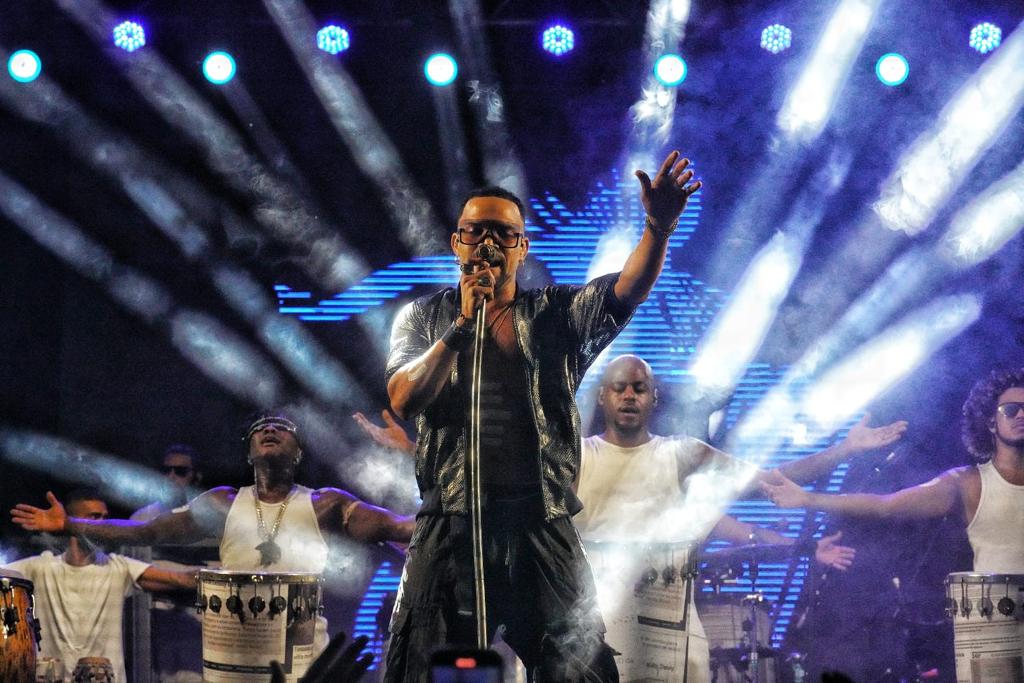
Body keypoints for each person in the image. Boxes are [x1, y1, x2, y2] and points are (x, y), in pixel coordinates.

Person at [382, 151, 701, 682]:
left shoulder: (555, 314)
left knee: (581, 666)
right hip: (450, 519)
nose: (488, 242)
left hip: (540, 519)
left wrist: (658, 227)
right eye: (475, 231)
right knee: (423, 667)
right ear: (456, 242)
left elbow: (626, 290)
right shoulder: (422, 317)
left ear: (522, 247)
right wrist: (460, 329)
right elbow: (404, 398)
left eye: (503, 233)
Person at [573, 354, 904, 681]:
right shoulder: (578, 457)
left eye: (639, 388)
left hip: (671, 639)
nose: (629, 396)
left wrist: (844, 450)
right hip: (599, 634)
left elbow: (771, 481)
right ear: (602, 396)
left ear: (653, 398)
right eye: (619, 387)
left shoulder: (681, 454)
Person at [10, 412, 416, 660]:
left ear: (297, 453)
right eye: (260, 428)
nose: (269, 429)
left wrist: (415, 455)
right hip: (233, 659)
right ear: (249, 453)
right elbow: (147, 530)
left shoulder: (326, 504)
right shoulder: (223, 503)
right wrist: (71, 525)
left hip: (302, 661)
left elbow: (405, 527)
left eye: (282, 427)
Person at [761, 367, 1024, 573]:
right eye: (1011, 410)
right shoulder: (967, 483)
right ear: (991, 421)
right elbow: (885, 505)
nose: (1021, 415)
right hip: (997, 618)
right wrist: (808, 498)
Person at [2, 488, 196, 682]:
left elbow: (182, 579)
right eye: (94, 517)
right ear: (73, 522)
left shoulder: (118, 567)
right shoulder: (40, 567)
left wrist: (214, 575)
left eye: (105, 518)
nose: (102, 524)